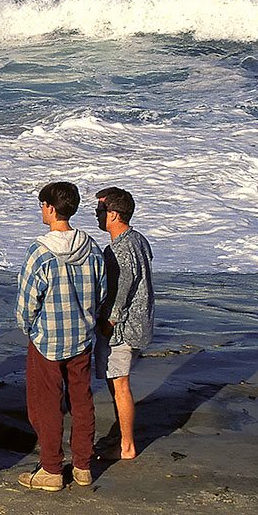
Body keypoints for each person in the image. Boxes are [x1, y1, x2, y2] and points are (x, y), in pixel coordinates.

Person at [15, 182, 106, 492]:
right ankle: (82, 466)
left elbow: (27, 301)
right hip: (81, 335)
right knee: (81, 401)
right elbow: (102, 290)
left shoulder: (39, 250)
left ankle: (52, 468)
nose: (42, 210)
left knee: (46, 404)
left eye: (42, 205)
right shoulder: (91, 246)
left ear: (50, 208)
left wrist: (28, 327)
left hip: (48, 338)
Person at [94, 187, 154, 461]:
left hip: (124, 327)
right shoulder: (138, 240)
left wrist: (110, 320)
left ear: (114, 215)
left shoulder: (120, 247)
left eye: (100, 210)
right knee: (117, 382)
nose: (97, 215)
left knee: (120, 384)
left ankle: (127, 446)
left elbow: (123, 286)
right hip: (140, 323)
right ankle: (123, 439)